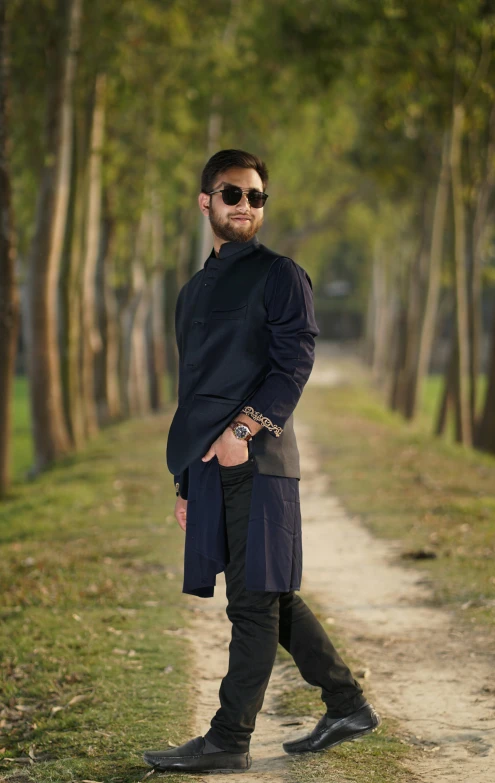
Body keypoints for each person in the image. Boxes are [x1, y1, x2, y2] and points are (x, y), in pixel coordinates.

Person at [143, 149, 380, 774]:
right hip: (210, 468)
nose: (245, 206)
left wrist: (244, 429)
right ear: (206, 202)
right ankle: (347, 703)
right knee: (270, 595)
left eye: (256, 196)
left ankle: (228, 740)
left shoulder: (282, 276)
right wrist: (185, 481)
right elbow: (193, 393)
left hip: (260, 460)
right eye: (232, 193)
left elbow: (293, 362)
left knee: (253, 604)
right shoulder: (192, 292)